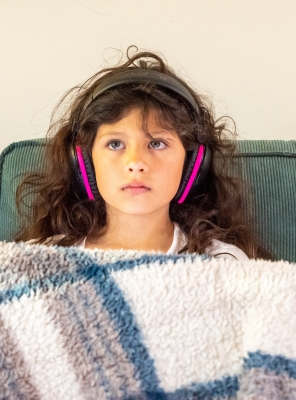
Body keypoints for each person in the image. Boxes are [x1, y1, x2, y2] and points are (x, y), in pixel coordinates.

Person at [16, 47, 270, 260]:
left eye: (157, 143)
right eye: (115, 144)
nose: (136, 163)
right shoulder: (42, 257)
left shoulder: (223, 263)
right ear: (83, 162)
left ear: (194, 163)